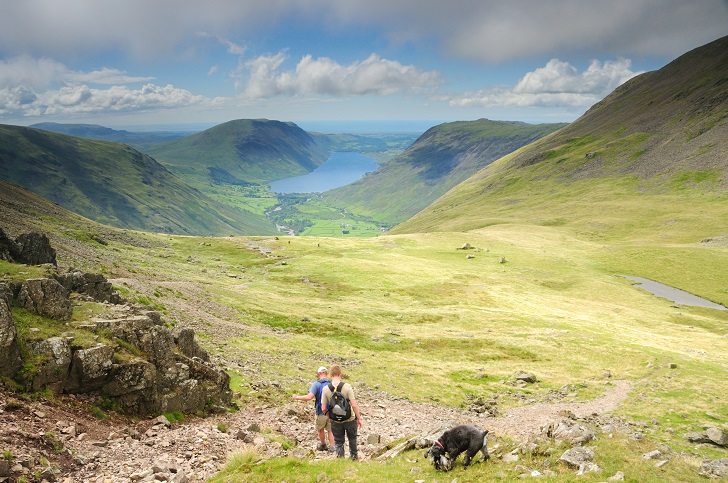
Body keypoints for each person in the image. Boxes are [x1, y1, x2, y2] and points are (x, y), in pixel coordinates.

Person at [320, 364, 362, 460]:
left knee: (338, 442)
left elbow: (323, 408)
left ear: (330, 375)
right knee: (352, 439)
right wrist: (358, 418)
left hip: (335, 420)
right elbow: (354, 405)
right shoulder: (347, 387)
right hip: (349, 418)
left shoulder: (325, 389)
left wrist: (330, 417)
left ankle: (340, 459)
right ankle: (354, 458)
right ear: (341, 374)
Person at [292, 366, 334, 451]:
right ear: (326, 373)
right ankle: (333, 446)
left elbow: (309, 397)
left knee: (320, 429)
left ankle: (323, 444)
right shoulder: (332, 383)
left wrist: (297, 397)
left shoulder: (316, 384)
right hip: (332, 411)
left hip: (320, 411)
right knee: (330, 430)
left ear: (319, 374)